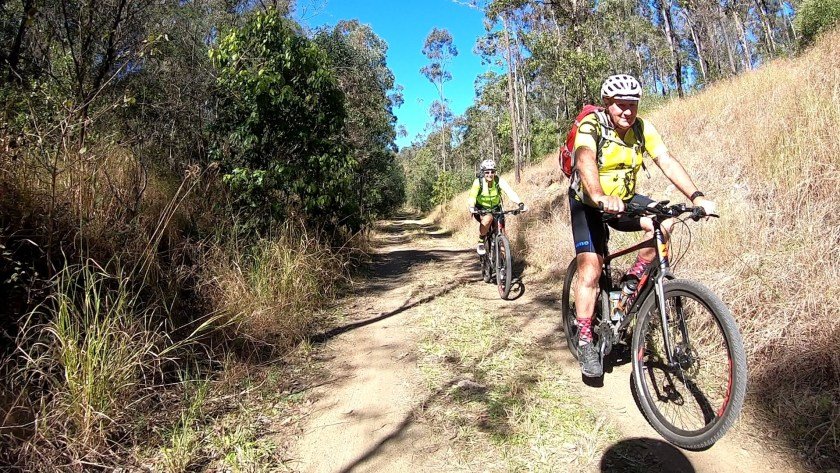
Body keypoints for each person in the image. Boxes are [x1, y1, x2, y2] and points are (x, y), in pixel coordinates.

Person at [569, 74, 716, 377]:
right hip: (589, 202)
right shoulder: (592, 126)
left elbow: (666, 159)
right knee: (591, 271)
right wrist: (598, 194)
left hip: (625, 198)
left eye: (632, 105)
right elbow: (584, 159)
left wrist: (697, 196)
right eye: (620, 105)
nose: (627, 112)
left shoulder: (642, 127)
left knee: (666, 223)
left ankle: (631, 285)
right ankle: (585, 340)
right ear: (607, 104)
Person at [467, 159, 526, 255]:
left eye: (492, 172)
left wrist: (520, 203)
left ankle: (504, 264)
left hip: (496, 209)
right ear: (483, 173)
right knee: (488, 218)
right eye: (487, 172)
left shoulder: (498, 181)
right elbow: (472, 196)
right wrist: (472, 206)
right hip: (481, 209)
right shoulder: (478, 182)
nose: (490, 174)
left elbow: (510, 192)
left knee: (502, 234)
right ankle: (481, 241)